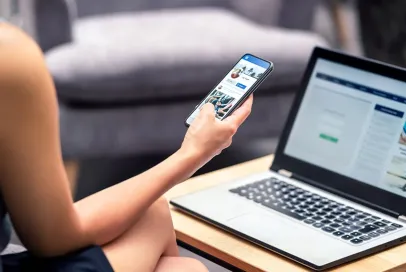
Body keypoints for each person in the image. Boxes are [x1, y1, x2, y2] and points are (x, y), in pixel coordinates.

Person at [0, 23, 253, 271]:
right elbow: (52, 239)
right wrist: (192, 154)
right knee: (183, 262)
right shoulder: (10, 53)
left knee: (160, 223)